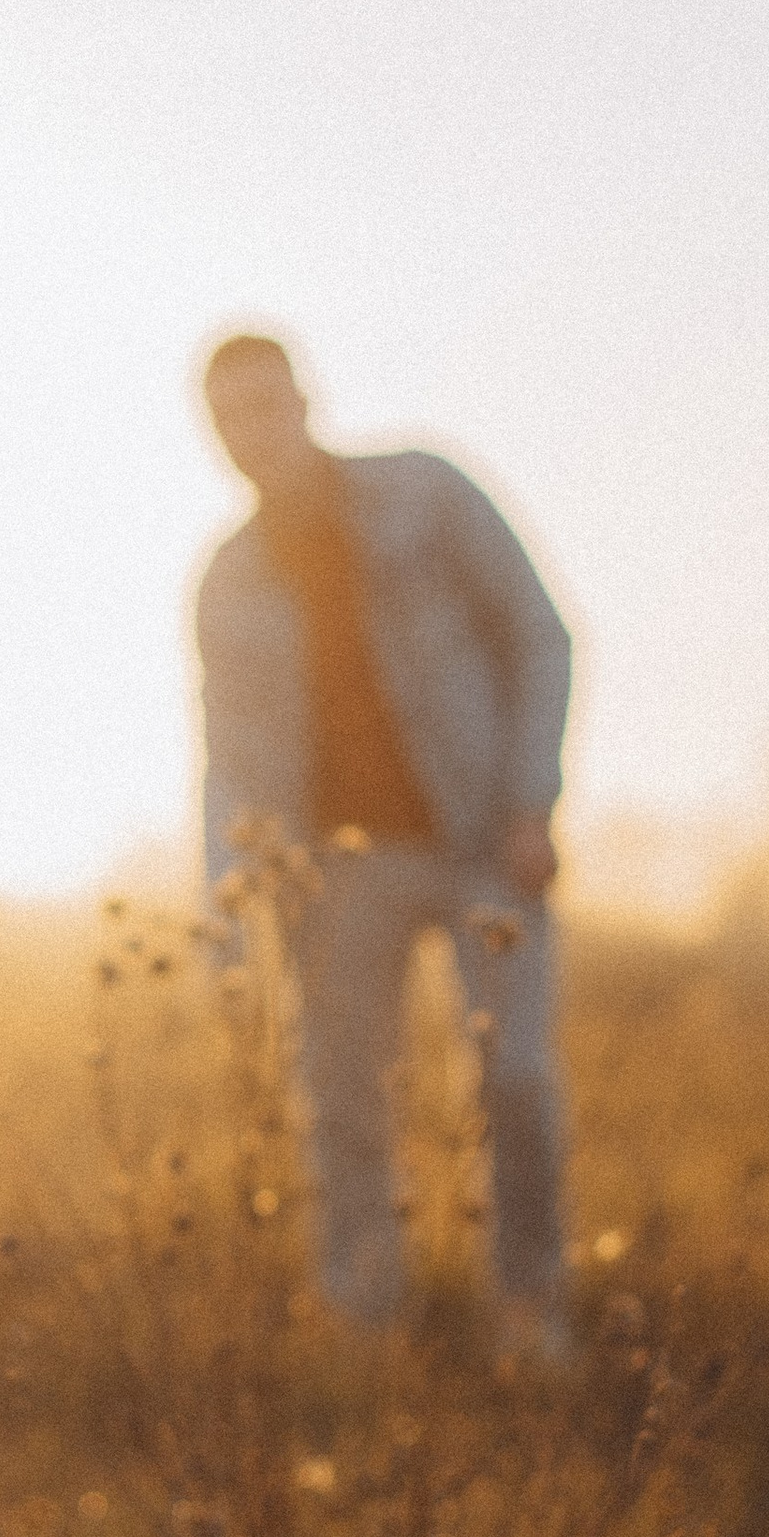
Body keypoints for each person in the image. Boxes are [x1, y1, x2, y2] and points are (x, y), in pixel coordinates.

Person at [193, 332, 572, 1340]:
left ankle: (529, 1310)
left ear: (305, 400)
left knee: (515, 1077)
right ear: (213, 435)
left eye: (266, 405)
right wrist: (230, 901)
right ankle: (362, 1316)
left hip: (486, 839)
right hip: (338, 872)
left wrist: (531, 802)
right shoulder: (225, 583)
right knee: (343, 1104)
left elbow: (538, 632)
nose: (252, 431)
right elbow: (228, 761)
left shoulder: (426, 494)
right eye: (230, 417)